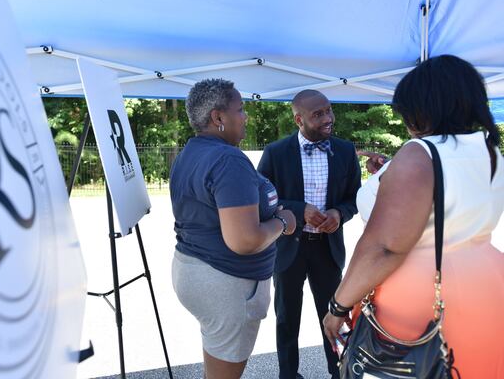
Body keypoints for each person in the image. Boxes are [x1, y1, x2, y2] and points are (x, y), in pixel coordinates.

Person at [323, 55, 504, 378]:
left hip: (419, 297)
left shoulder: (420, 154)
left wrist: (338, 305)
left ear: (425, 107)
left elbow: (384, 248)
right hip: (487, 287)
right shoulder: (489, 151)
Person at [170, 78, 297, 379]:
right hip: (227, 283)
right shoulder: (228, 159)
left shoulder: (191, 152)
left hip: (197, 269)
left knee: (216, 364)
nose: (246, 116)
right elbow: (245, 240)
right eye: (240, 109)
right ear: (218, 117)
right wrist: (283, 222)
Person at [257, 89, 361, 379]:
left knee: (335, 317)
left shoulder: (345, 150)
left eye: (329, 110)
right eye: (318, 114)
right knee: (287, 319)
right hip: (288, 248)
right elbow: (261, 198)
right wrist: (298, 209)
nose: (328, 118)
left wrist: (339, 213)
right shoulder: (276, 152)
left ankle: (339, 372)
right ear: (298, 120)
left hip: (327, 249)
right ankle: (288, 375)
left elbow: (354, 197)